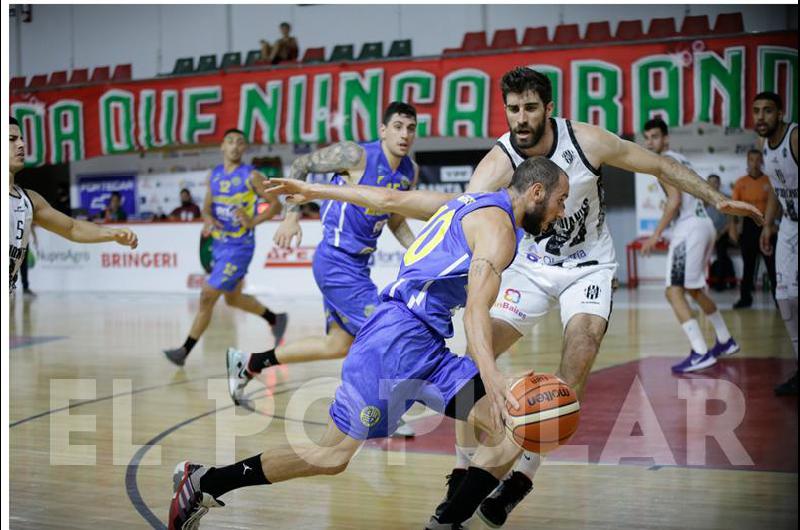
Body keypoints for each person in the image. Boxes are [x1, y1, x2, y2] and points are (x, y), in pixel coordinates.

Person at [430, 67, 762, 528]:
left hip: (590, 265)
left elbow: (659, 164)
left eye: (529, 108)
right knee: (470, 361)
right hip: (530, 268)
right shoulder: (498, 162)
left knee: (576, 362)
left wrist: (716, 198)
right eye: (512, 109)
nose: (520, 119)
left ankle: (522, 475)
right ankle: (463, 467)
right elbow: (460, 221)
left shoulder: (587, 141)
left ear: (549, 108)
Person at [168, 156, 571, 530]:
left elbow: (389, 198)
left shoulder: (469, 201)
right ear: (536, 192)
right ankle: (206, 482)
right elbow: (475, 311)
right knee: (332, 456)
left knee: (513, 425)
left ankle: (446, 522)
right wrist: (493, 375)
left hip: (427, 348)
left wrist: (316, 191)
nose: (562, 211)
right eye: (561, 200)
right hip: (393, 345)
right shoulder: (500, 232)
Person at [225, 102, 419, 435]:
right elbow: (301, 165)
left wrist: (416, 251)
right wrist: (290, 216)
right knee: (385, 331)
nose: (405, 134)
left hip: (357, 266)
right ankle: (380, 411)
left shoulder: (407, 172)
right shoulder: (355, 155)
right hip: (335, 262)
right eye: (398, 126)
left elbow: (396, 218)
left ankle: (250, 363)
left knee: (337, 346)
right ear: (383, 130)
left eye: (411, 128)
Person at [162, 129, 287, 366]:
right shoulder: (215, 175)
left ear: (244, 149)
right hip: (220, 244)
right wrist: (208, 219)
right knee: (232, 299)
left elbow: (276, 206)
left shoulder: (252, 176)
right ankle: (275, 318)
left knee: (207, 294)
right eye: (230, 141)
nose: (235, 146)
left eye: (240, 142)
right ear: (222, 146)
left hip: (240, 246)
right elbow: (206, 208)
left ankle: (184, 351)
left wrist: (252, 221)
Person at [640, 118, 739, 373]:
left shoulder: (663, 163)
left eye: (655, 137)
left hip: (689, 229)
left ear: (665, 139)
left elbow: (674, 201)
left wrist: (656, 234)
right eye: (647, 137)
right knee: (693, 290)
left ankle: (700, 352)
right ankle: (725, 339)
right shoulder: (681, 159)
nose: (650, 142)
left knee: (673, 291)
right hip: (704, 224)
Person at [9, 117, 139, 293]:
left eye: (22, 139)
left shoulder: (29, 200)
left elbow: (72, 228)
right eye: (12, 139)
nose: (21, 145)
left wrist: (112, 233)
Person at [752, 91, 798, 395]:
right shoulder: (763, 146)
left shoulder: (794, 137)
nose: (761, 117)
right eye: (756, 111)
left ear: (780, 113)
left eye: (768, 111)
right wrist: (767, 226)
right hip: (790, 225)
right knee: (784, 294)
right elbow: (775, 189)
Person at [729, 149, 778, 307]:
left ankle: (779, 300)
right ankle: (745, 299)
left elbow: (777, 205)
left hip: (766, 225)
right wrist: (733, 228)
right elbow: (732, 208)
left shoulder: (769, 181)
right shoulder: (740, 182)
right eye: (751, 160)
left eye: (758, 160)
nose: (755, 163)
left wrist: (774, 225)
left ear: (762, 161)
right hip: (749, 226)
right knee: (748, 266)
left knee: (772, 266)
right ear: (747, 161)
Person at [705, 174, 737, 291]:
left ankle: (720, 283)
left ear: (719, 184)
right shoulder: (703, 200)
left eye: (715, 182)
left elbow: (731, 221)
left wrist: (719, 233)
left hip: (724, 234)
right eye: (710, 182)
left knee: (721, 249)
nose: (713, 184)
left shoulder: (726, 199)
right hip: (708, 233)